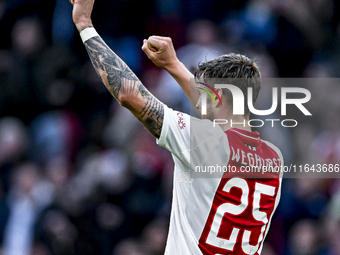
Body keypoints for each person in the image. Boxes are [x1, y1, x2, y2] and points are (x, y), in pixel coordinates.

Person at [69, 0, 283, 254]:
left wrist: (85, 25)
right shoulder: (274, 159)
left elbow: (129, 95)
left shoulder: (202, 140)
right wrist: (174, 66)